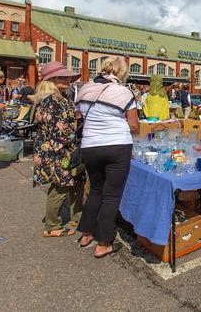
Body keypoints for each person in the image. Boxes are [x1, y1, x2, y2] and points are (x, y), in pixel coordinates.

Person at [76, 57, 138, 258]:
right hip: (117, 145)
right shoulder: (123, 91)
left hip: (90, 145)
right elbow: (134, 124)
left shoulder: (85, 88)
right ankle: (103, 242)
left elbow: (81, 116)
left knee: (95, 189)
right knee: (111, 195)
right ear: (121, 73)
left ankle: (87, 232)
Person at [33, 62, 84, 237]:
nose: (67, 79)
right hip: (57, 150)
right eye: (62, 77)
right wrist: (75, 137)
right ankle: (52, 226)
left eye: (68, 77)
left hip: (64, 148)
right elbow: (58, 131)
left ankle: (78, 217)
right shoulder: (52, 101)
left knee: (76, 183)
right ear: (51, 80)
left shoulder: (62, 98)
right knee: (60, 187)